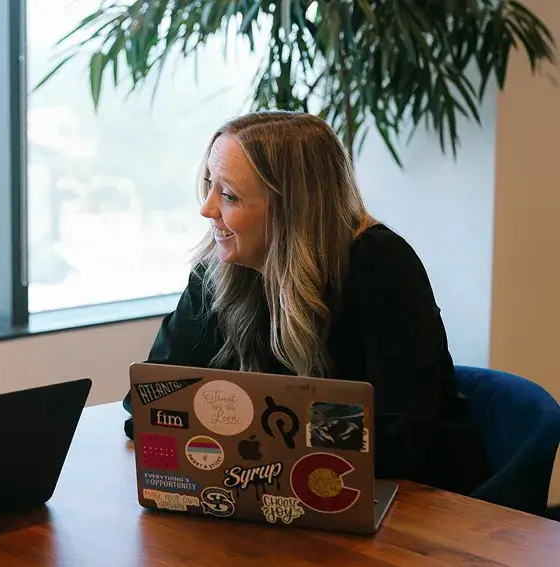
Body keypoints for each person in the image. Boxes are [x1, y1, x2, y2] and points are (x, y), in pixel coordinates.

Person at [128, 111, 487, 491]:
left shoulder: (381, 264)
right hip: (274, 489)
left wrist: (252, 421)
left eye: (229, 195)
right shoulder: (219, 269)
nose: (207, 208)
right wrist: (273, 423)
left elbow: (400, 435)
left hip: (413, 498)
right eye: (209, 185)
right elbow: (149, 403)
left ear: (291, 207)